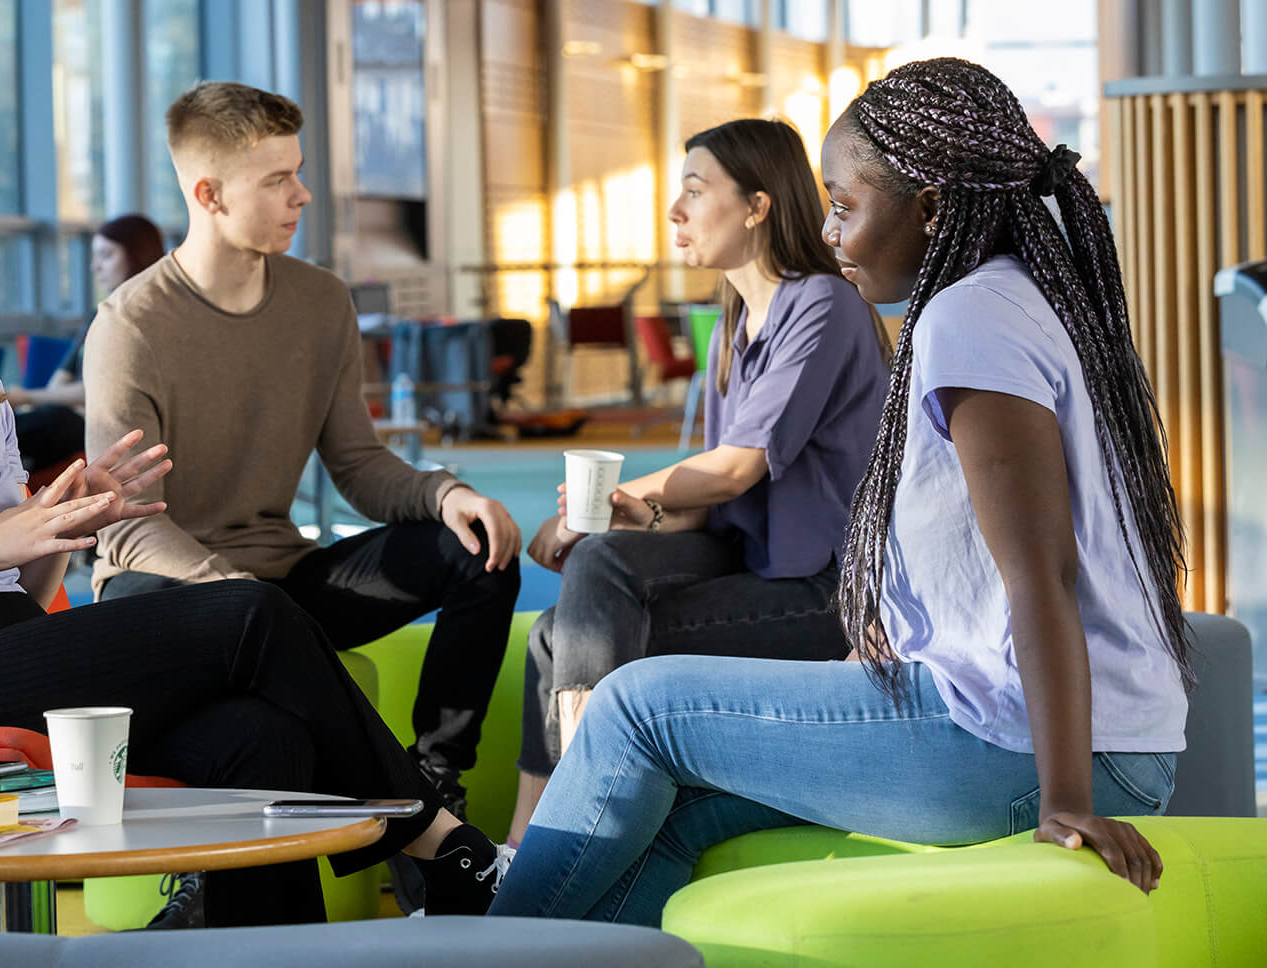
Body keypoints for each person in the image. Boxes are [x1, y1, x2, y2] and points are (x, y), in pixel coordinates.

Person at [0, 110, 509, 928]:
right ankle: (441, 845)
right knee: (249, 615)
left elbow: (15, 586)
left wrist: (61, 523)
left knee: (261, 738)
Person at [489, 58, 1189, 925]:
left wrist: (1067, 801)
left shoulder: (968, 316)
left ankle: (488, 948)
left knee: (633, 706)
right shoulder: (1024, 300)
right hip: (1069, 737)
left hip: (1029, 748)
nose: (827, 232)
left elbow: (1040, 571)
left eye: (846, 207)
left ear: (931, 208)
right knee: (676, 815)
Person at [86, 82, 524, 827]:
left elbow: (357, 463)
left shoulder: (322, 302)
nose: (304, 194)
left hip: (286, 580)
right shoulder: (130, 326)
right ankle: (400, 820)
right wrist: (234, 596)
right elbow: (123, 524)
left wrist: (447, 494)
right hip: (165, 590)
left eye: (298, 172)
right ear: (210, 194)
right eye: (278, 179)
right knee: (225, 646)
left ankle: (435, 775)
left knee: (477, 551)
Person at [507, 119, 889, 843]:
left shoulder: (823, 305)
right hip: (755, 569)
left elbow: (734, 469)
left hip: (825, 595)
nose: (675, 212)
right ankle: (523, 844)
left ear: (757, 205)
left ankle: (580, 823)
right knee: (562, 622)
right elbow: (716, 507)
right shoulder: (734, 328)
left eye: (694, 190)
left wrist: (628, 495)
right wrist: (613, 516)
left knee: (573, 626)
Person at [6, 213, 166, 473]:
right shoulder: (100, 314)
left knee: (45, 424)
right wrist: (78, 398)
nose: (95, 267)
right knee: (17, 427)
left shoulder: (149, 319)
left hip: (108, 424)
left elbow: (105, 391)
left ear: (138, 253)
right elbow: (60, 383)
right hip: (78, 419)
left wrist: (27, 396)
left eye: (107, 255)